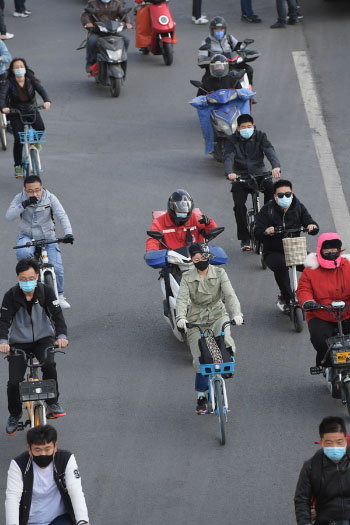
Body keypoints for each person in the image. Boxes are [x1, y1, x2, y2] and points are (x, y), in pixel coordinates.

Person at [0, 258, 69, 435]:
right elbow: (4, 322)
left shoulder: (45, 292)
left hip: (42, 339)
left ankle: (52, 402)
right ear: (18, 278)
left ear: (37, 276)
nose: (27, 282)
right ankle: (15, 414)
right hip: (19, 343)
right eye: (23, 279)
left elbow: (57, 315)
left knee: (49, 364)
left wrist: (61, 336)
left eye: (31, 278)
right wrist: (3, 341)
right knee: (14, 382)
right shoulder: (11, 296)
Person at [176, 243, 243, 414]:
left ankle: (226, 369)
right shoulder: (187, 277)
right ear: (192, 260)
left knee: (225, 341)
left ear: (208, 257)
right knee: (200, 359)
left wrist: (237, 314)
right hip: (195, 318)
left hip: (217, 314)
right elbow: (182, 299)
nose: (200, 261)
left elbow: (230, 294)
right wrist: (181, 318)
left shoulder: (219, 273)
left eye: (202, 258)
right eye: (195, 259)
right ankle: (201, 394)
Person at [6, 175, 74, 309]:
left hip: (48, 237)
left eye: (38, 190)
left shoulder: (50, 198)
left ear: (41, 188)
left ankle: (59, 295)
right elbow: (9, 216)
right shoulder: (20, 198)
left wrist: (68, 233)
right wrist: (24, 205)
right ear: (25, 190)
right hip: (27, 236)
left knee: (58, 268)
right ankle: (32, 273)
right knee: (23, 253)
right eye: (30, 191)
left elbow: (62, 215)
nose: (35, 194)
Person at [6, 424, 90, 525]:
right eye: (37, 450)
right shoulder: (18, 465)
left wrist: (83, 521)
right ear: (29, 449)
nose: (43, 454)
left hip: (59, 520)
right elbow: (13, 498)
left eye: (47, 449)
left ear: (55, 447)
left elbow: (75, 491)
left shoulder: (66, 459)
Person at [254, 179, 318, 312]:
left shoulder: (298, 206)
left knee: (316, 264)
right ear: (275, 196)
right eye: (281, 195)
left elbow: (310, 222)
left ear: (292, 194)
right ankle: (287, 299)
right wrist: (266, 232)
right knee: (281, 266)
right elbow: (257, 232)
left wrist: (312, 227)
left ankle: (310, 295)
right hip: (273, 251)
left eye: (288, 194)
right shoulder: (267, 209)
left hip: (295, 249)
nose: (285, 197)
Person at [224, 114, 281, 251]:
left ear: (253, 127)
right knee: (239, 206)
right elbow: (228, 158)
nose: (247, 129)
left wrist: (276, 166)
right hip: (240, 177)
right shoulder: (231, 140)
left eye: (249, 127)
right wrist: (229, 173)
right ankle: (245, 238)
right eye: (243, 127)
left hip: (260, 173)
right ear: (238, 129)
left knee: (271, 195)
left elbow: (270, 152)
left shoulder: (261, 136)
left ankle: (268, 225)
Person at [297, 232, 350, 367]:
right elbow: (303, 289)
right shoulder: (310, 270)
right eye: (327, 248)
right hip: (321, 313)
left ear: (339, 249)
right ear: (320, 249)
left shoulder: (348, 265)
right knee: (320, 339)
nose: (331, 251)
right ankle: (327, 364)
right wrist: (308, 302)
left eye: (334, 248)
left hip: (346, 312)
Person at [0, 57, 51, 178]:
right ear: (12, 70)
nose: (19, 69)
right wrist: (3, 108)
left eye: (21, 67)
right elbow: (2, 97)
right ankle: (18, 165)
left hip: (31, 110)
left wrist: (47, 101)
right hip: (16, 112)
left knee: (40, 127)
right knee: (19, 139)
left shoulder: (31, 80)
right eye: (16, 67)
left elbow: (42, 90)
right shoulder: (10, 83)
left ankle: (35, 143)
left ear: (25, 68)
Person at [295, 416, 350, 524]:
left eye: (339, 442)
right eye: (329, 443)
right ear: (321, 443)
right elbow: (302, 499)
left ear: (345, 441)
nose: (335, 447)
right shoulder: (311, 467)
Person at [198, 16, 254, 88]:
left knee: (249, 70)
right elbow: (201, 58)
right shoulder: (206, 41)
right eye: (216, 29)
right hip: (216, 67)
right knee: (205, 81)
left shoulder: (229, 37)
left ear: (225, 29)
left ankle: (248, 93)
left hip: (232, 64)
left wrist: (246, 52)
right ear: (212, 30)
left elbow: (240, 47)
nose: (219, 31)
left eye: (221, 29)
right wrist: (211, 60)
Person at [81, 0, 132, 72]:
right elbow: (85, 15)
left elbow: (123, 14)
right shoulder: (92, 3)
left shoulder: (116, 3)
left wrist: (128, 22)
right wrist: (88, 23)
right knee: (91, 42)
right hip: (97, 31)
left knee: (126, 41)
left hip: (112, 30)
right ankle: (90, 62)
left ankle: (121, 58)